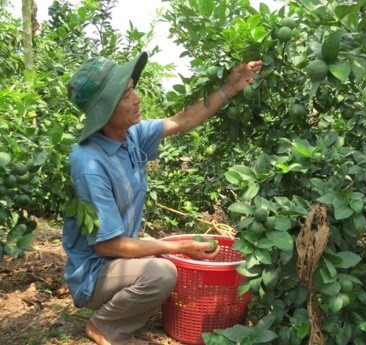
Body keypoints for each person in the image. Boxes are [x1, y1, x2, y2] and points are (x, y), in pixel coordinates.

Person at [62, 51, 262, 345]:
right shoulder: (89, 163)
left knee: (166, 259)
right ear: (105, 109)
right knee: (161, 272)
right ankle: (105, 325)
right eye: (127, 94)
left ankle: (120, 311)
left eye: (133, 89)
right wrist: (175, 246)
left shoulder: (131, 135)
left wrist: (230, 87)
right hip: (95, 274)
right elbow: (107, 245)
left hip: (116, 263)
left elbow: (183, 121)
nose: (138, 98)